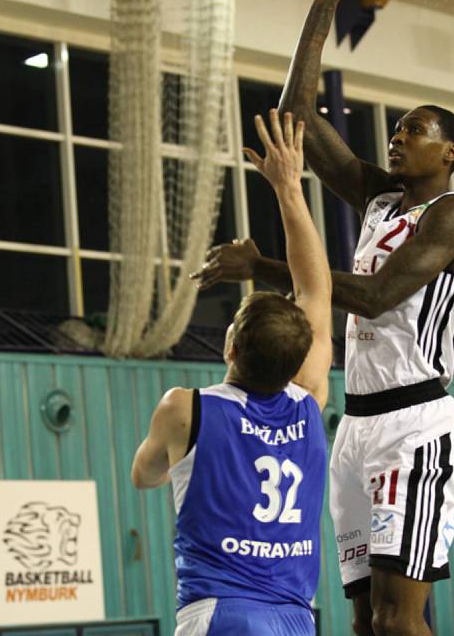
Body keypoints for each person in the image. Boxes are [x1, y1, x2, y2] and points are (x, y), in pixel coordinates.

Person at [194, 0, 454, 636]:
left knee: (397, 620)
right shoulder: (380, 199)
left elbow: (381, 295)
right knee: (362, 622)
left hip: (416, 427)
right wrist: (323, 3)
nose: (396, 136)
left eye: (414, 130)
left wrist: (261, 264)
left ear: (451, 151)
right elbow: (296, 115)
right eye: (395, 128)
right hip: (355, 429)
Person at [132, 110, 332, 636]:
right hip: (296, 618)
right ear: (298, 359)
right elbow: (316, 289)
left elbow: (142, 475)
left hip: (219, 613)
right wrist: (290, 188)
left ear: (230, 345)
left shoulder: (184, 407)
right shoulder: (310, 400)